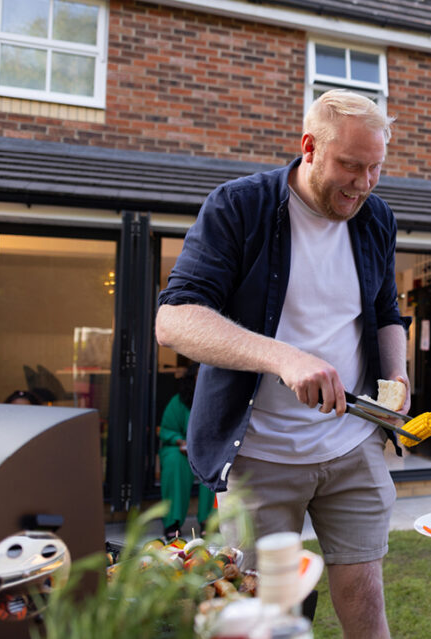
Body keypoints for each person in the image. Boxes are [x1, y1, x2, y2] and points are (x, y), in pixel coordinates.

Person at [155, 89, 408, 638]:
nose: (363, 183)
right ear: (309, 147)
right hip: (258, 454)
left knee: (366, 596)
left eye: (376, 169)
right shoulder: (237, 206)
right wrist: (284, 358)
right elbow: (174, 319)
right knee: (262, 615)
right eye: (350, 165)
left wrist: (397, 376)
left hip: (352, 442)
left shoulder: (376, 218)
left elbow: (387, 312)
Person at [159, 363, 215, 541]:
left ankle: (209, 522)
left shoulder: (220, 400)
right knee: (174, 461)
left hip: (210, 450)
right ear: (192, 378)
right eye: (200, 376)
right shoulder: (179, 401)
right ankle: (172, 522)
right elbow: (166, 429)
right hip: (182, 450)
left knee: (216, 462)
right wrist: (180, 441)